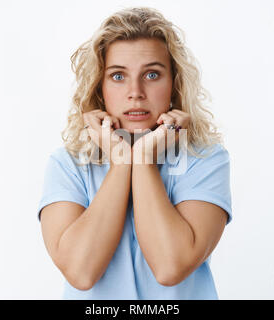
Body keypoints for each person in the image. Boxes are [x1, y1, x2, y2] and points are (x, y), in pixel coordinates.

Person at [37, 7, 232, 300]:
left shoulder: (205, 159)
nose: (135, 92)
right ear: (99, 88)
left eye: (152, 74)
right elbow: (81, 272)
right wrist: (122, 161)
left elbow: (170, 267)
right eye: (118, 76)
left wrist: (141, 159)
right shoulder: (68, 164)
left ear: (174, 84)